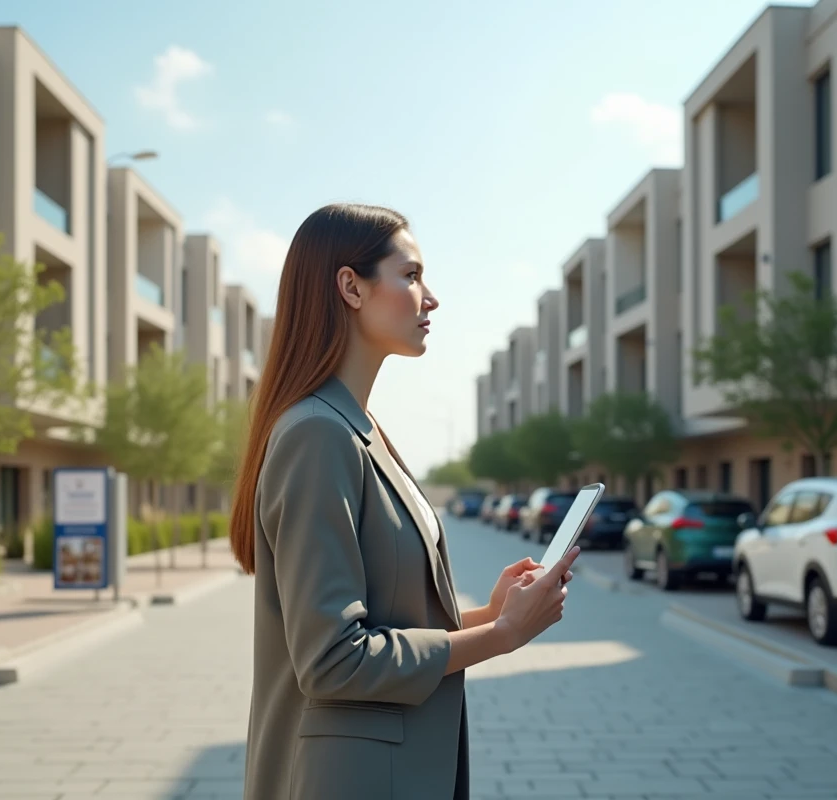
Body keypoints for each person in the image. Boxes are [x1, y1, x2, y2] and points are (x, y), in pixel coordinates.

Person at [229, 203, 581, 800]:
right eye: (411, 275)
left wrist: (491, 615)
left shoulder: (356, 427)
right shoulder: (319, 433)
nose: (431, 298)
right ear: (351, 287)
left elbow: (386, 628)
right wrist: (502, 636)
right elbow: (334, 658)